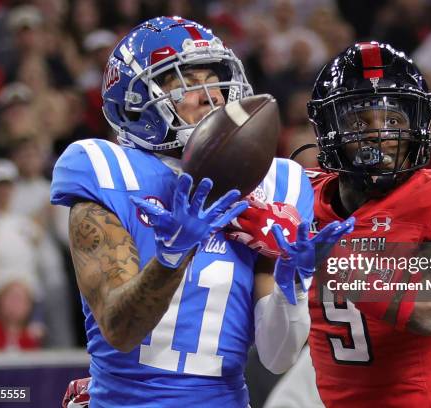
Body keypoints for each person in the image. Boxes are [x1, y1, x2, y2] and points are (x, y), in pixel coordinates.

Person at [51, 17, 352, 408]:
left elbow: (278, 357)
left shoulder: (272, 181)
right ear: (135, 102)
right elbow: (120, 329)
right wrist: (173, 256)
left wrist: (292, 281)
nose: (210, 96)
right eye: (187, 84)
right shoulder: (105, 168)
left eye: (215, 80)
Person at [301, 42, 431, 407]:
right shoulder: (299, 193)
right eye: (359, 120)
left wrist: (320, 253)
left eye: (394, 120)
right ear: (328, 130)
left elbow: (430, 308)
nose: (380, 133)